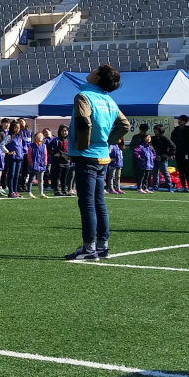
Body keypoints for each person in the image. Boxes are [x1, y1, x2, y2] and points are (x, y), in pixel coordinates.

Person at [64, 63, 131, 261]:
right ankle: (102, 246)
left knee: (87, 204)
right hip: (102, 155)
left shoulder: (83, 96)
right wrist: (107, 141)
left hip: (86, 156)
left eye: (94, 71)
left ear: (98, 77)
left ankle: (88, 248)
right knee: (99, 202)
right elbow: (125, 125)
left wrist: (82, 144)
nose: (91, 71)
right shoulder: (109, 100)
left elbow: (84, 121)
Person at [171, 115, 189, 191]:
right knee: (180, 170)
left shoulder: (188, 129)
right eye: (179, 120)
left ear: (185, 122)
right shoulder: (176, 129)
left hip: (185, 152)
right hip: (178, 152)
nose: (179, 121)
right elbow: (172, 140)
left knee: (186, 169)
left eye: (181, 120)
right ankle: (183, 186)